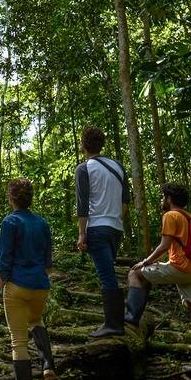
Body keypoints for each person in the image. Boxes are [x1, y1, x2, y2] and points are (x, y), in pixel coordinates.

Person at [125, 183, 191, 371]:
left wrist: (145, 262)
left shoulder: (170, 215)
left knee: (135, 273)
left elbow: (164, 246)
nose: (161, 199)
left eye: (162, 196)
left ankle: (131, 318)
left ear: (169, 198)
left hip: (180, 268)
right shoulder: (189, 217)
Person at [0, 178, 56, 380]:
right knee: (37, 320)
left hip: (17, 286)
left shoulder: (10, 222)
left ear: (11, 198)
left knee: (18, 341)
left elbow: (4, 262)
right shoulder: (42, 222)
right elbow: (48, 262)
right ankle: (48, 364)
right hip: (41, 284)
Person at [75, 125, 130, 337]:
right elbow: (125, 202)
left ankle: (113, 325)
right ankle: (116, 322)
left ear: (83, 146)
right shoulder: (117, 166)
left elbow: (83, 204)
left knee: (107, 276)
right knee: (109, 274)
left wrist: (82, 233)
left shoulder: (84, 169)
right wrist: (114, 218)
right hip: (115, 227)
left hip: (97, 228)